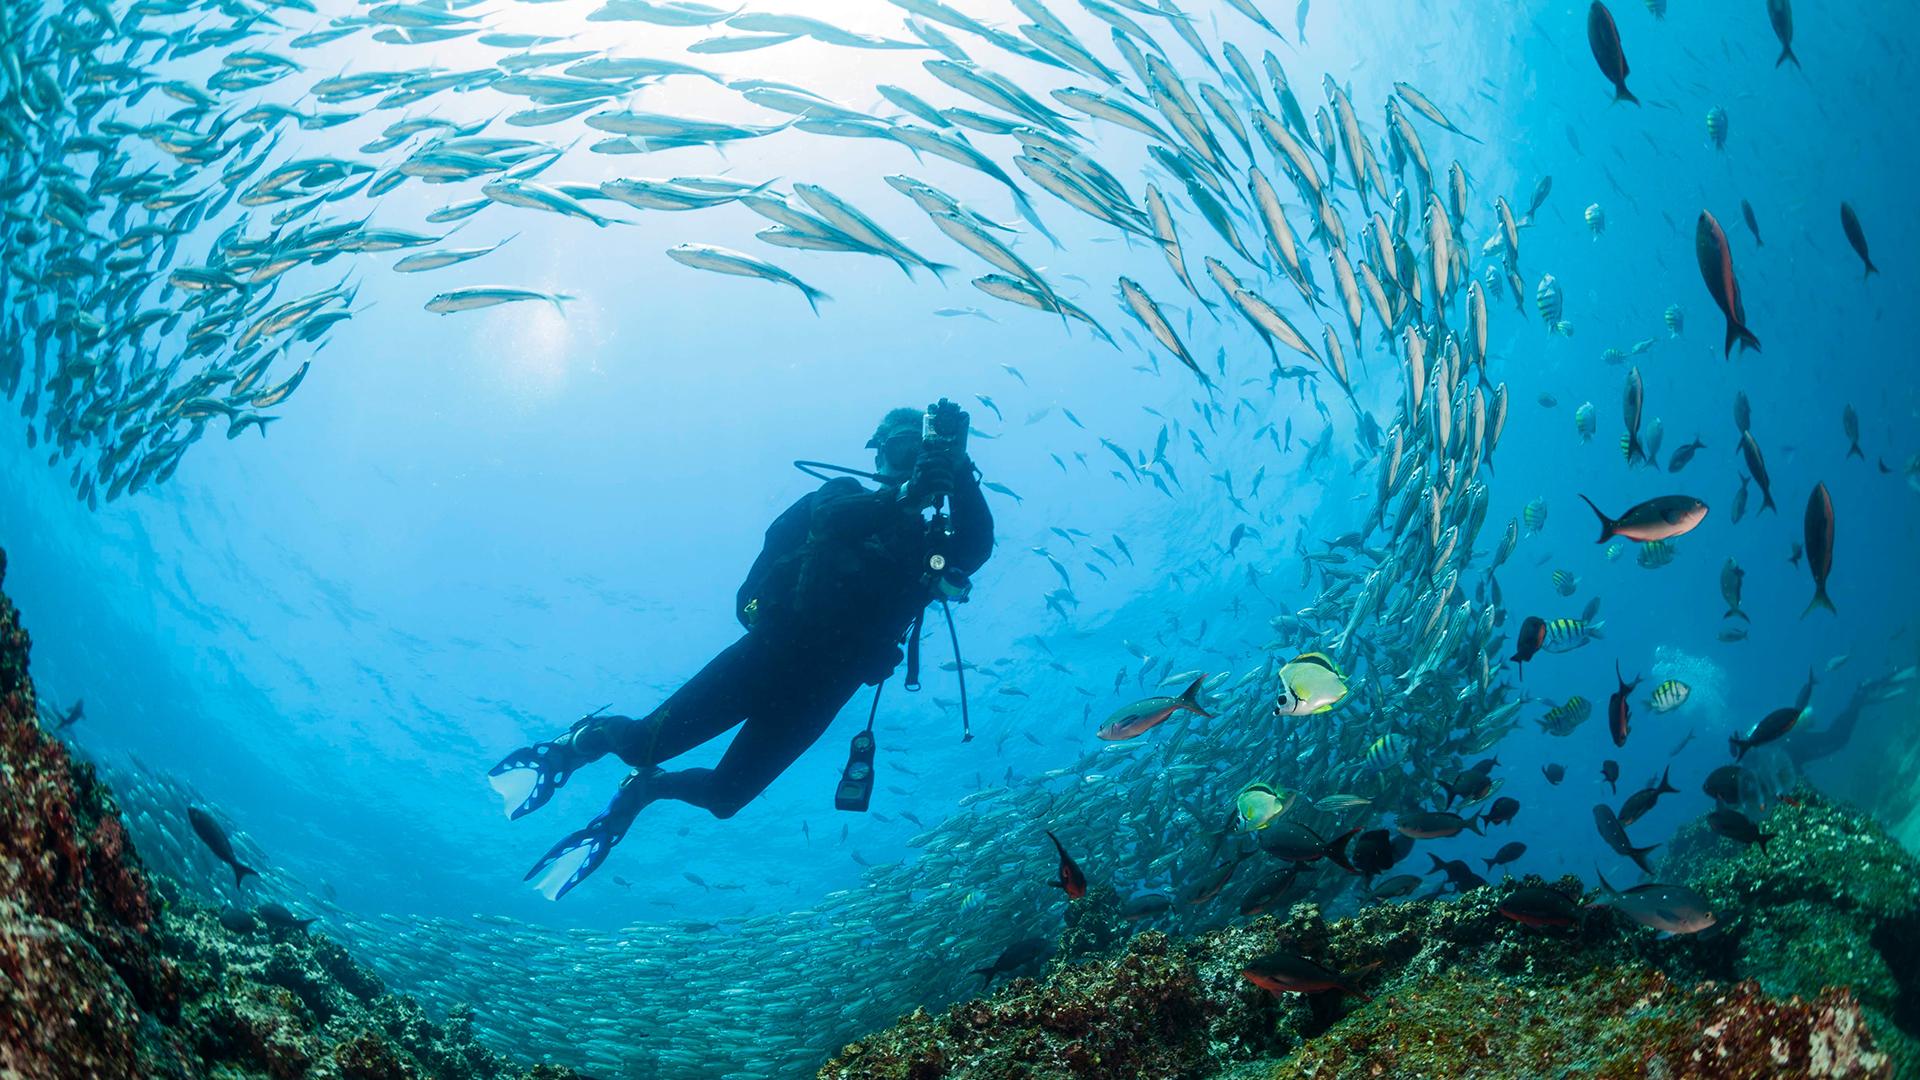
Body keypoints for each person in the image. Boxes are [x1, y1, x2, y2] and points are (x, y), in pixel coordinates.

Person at [490, 405, 993, 898]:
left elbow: (975, 549)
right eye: (899, 451)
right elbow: (834, 519)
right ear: (879, 456)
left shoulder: (929, 541)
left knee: (726, 797)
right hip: (765, 656)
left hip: (825, 689)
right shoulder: (842, 494)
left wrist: (961, 473)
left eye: (917, 453)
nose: (907, 465)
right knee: (643, 746)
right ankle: (579, 740)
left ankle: (644, 789)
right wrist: (906, 495)